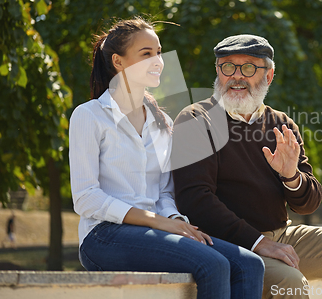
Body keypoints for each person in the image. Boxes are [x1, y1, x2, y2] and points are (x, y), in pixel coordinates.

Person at [172, 34, 322, 299]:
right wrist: (259, 242)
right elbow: (194, 200)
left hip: (284, 235)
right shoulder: (195, 119)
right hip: (228, 243)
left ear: (269, 75)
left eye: (248, 67)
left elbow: (309, 203)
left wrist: (291, 176)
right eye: (227, 66)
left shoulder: (281, 124)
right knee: (290, 282)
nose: (237, 76)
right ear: (217, 72)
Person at [69, 19, 265, 299]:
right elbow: (86, 197)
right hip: (104, 236)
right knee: (213, 263)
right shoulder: (89, 115)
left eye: (159, 52)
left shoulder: (162, 122)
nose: (158, 60)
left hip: (155, 232)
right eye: (146, 53)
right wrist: (157, 222)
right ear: (118, 61)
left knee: (249, 264)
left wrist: (175, 219)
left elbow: (163, 191)